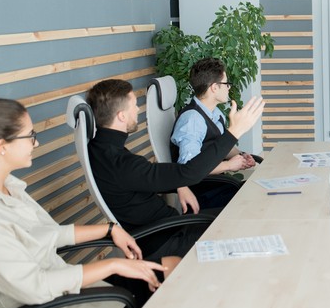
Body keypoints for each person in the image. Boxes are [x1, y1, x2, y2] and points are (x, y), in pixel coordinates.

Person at [0, 99, 166, 308]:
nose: (35, 144)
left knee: (161, 279)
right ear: (2, 146)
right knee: (155, 296)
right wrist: (113, 264)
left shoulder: (10, 187)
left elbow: (49, 233)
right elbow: (37, 287)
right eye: (30, 136)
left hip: (65, 289)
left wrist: (109, 229)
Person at [86, 79, 264, 261]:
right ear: (122, 116)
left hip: (169, 228)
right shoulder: (120, 163)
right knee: (245, 220)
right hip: (168, 240)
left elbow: (148, 177)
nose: (138, 109)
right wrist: (234, 132)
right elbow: (189, 172)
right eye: (134, 105)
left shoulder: (100, 149)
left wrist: (179, 184)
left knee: (243, 213)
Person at [170, 58, 256, 214]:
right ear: (214, 88)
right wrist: (229, 165)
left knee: (258, 190)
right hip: (203, 195)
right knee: (256, 198)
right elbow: (188, 168)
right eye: (226, 84)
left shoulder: (214, 113)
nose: (229, 88)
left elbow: (220, 144)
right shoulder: (192, 120)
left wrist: (241, 155)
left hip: (218, 186)